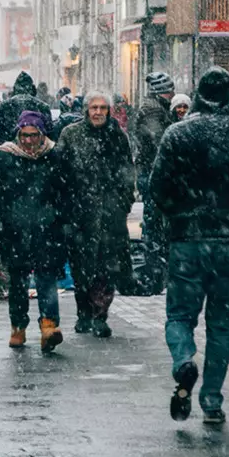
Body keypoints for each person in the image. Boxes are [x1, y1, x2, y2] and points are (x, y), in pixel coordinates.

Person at [151, 67, 229, 425]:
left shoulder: (178, 134)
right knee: (221, 326)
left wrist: (179, 212)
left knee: (179, 315)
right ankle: (212, 399)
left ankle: (183, 360)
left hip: (188, 239)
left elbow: (159, 187)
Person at [55, 92, 135, 338]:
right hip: (80, 213)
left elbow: (126, 170)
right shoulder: (71, 134)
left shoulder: (116, 135)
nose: (98, 112)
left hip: (110, 214)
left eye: (102, 108)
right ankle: (83, 312)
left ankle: (100, 315)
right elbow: (60, 171)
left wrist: (123, 201)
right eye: (94, 108)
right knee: (81, 266)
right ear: (86, 110)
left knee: (106, 265)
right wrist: (66, 204)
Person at [0, 111, 66, 353]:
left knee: (46, 278)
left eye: (34, 135)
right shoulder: (4, 156)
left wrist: (61, 221)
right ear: (18, 134)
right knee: (18, 280)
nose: (29, 141)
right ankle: (18, 327)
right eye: (24, 135)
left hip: (47, 228)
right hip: (15, 229)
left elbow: (64, 192)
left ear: (42, 135)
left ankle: (49, 326)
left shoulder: (54, 156)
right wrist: (0, 222)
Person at [131, 72, 176, 287]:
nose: (172, 94)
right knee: (153, 218)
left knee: (155, 217)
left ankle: (156, 257)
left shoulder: (154, 108)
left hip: (152, 171)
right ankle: (153, 262)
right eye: (170, 90)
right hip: (152, 172)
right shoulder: (153, 110)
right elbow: (159, 141)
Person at [0, 72, 54, 147]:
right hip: (35, 152)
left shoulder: (2, 106)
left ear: (14, 89)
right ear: (33, 89)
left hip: (9, 152)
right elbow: (49, 137)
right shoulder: (43, 107)